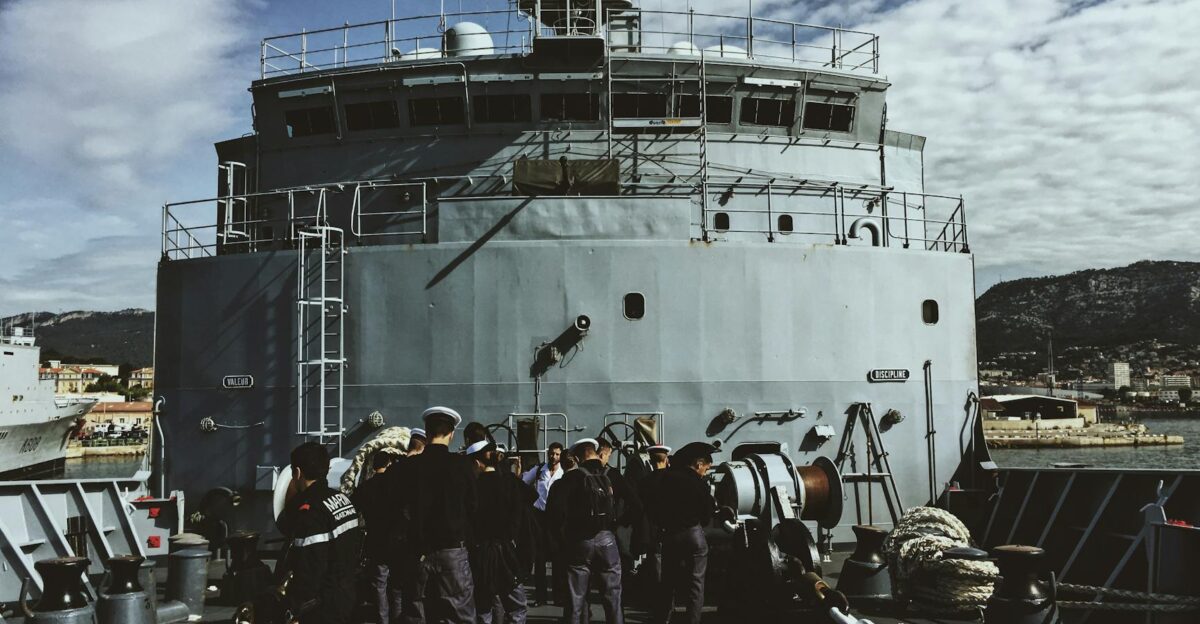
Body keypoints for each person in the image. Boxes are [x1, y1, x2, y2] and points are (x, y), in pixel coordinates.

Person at [392, 407, 478, 624]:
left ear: (427, 433)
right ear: (451, 434)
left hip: (417, 551)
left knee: (415, 611)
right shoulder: (462, 465)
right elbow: (472, 507)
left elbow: (398, 507)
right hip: (453, 550)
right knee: (459, 613)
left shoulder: (409, 466)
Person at [278, 442, 363, 624]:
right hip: (347, 594)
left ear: (298, 472)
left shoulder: (310, 513)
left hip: (322, 608)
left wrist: (294, 607)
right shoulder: (343, 500)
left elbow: (309, 569)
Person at [544, 439, 623, 624]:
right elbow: (635, 504)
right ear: (595, 452)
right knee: (613, 596)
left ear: (577, 457)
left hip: (579, 541)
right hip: (607, 539)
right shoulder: (611, 475)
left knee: (576, 598)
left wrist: (562, 540)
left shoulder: (568, 480)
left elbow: (554, 515)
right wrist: (615, 525)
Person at [645, 442, 717, 624]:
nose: (705, 472)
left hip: (669, 535)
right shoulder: (699, 484)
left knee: (668, 583)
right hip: (693, 535)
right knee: (696, 584)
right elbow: (707, 515)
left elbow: (653, 507)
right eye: (706, 468)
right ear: (698, 464)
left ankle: (664, 619)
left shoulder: (665, 479)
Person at [468, 439, 537, 624]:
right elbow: (532, 496)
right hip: (506, 550)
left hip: (480, 551)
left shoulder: (472, 486)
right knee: (517, 605)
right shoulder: (509, 481)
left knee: (483, 607)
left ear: (476, 462)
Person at [353, 451, 402, 624]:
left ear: (374, 466)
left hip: (375, 540)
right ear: (389, 464)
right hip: (396, 541)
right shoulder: (397, 486)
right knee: (397, 585)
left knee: (379, 585)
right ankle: (398, 619)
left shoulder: (365, 488)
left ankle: (383, 620)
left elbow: (353, 510)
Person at [521, 441, 565, 605]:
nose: (554, 457)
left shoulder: (563, 472)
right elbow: (524, 482)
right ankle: (541, 598)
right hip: (539, 517)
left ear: (561, 455)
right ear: (548, 454)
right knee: (539, 559)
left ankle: (558, 596)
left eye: (557, 454)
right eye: (552, 453)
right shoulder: (540, 470)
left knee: (557, 557)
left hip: (555, 518)